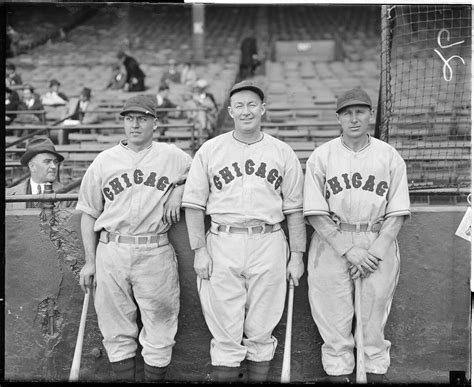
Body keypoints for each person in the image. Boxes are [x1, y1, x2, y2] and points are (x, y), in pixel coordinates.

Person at [182, 80, 306, 382]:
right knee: (225, 331)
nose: (246, 111)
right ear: (230, 111)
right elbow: (194, 205)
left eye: (252, 104)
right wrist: (199, 250)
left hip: (269, 240)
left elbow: (294, 210)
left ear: (263, 109)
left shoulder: (282, 152)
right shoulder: (211, 150)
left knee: (262, 328)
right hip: (223, 241)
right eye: (240, 105)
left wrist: (298, 256)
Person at [77, 95, 192, 382]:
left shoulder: (173, 156)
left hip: (155, 248)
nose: (135, 124)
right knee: (115, 331)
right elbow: (89, 213)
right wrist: (90, 262)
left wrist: (180, 189)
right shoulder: (104, 161)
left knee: (161, 328)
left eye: (142, 118)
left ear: (155, 122)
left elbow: (202, 173)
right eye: (129, 118)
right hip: (111, 249)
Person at [303, 87, 410, 384]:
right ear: (338, 118)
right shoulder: (321, 156)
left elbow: (398, 212)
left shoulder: (389, 156)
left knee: (373, 331)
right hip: (331, 246)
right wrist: (348, 249)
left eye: (360, 112)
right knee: (334, 330)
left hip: (378, 243)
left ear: (370, 115)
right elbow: (314, 212)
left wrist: (373, 253)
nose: (354, 119)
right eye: (347, 113)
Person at [5, 136, 72, 209]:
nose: (54, 166)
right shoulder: (9, 195)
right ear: (32, 166)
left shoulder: (69, 196)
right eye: (47, 162)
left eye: (55, 162)